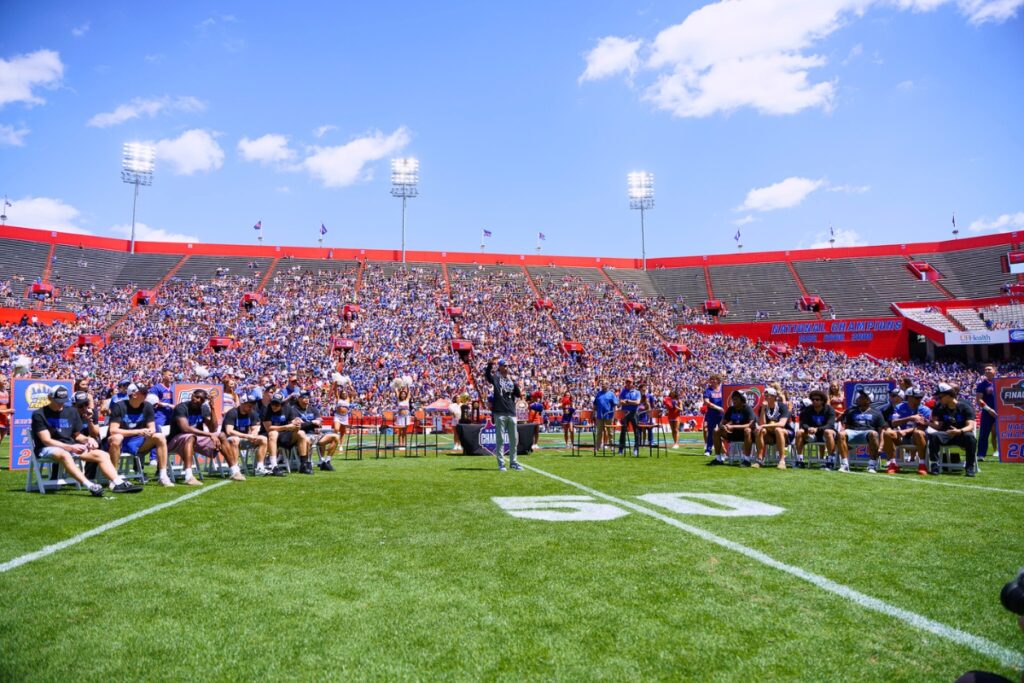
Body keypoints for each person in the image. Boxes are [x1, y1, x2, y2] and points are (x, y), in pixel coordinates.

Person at [30, 386, 141, 496]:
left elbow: (77, 435)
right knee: (64, 454)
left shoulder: (71, 411)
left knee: (102, 454)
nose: (61, 404)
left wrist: (88, 439)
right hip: (46, 448)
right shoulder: (39, 414)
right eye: (58, 401)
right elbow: (46, 440)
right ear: (50, 398)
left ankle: (118, 483)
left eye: (63, 401)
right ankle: (90, 485)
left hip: (69, 447)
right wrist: (70, 447)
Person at [107, 382, 174, 487]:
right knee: (117, 437)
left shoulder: (147, 406)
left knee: (159, 436)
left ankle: (163, 476)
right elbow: (113, 430)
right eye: (144, 393)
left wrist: (149, 432)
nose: (146, 395)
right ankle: (113, 478)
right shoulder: (119, 406)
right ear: (134, 394)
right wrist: (138, 431)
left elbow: (152, 428)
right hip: (122, 441)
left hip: (139, 441)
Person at [168, 389, 225, 486]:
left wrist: (212, 408)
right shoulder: (181, 407)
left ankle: (234, 470)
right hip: (175, 440)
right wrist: (210, 435)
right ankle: (189, 476)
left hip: (195, 439)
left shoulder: (204, 409)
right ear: (192, 395)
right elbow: (185, 428)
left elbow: (213, 428)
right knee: (190, 437)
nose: (198, 400)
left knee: (221, 435)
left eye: (202, 399)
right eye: (197, 397)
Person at [928, 382, 978, 477]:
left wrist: (959, 431)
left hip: (961, 435)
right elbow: (939, 427)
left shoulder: (964, 407)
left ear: (948, 395)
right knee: (934, 436)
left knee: (970, 437)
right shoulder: (942, 408)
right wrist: (927, 423)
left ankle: (969, 467)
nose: (938, 399)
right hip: (948, 434)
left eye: (940, 397)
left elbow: (970, 426)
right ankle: (935, 465)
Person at [483, 358, 522, 471]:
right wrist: (490, 364)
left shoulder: (510, 380)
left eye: (507, 366)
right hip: (500, 412)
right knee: (500, 440)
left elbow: (518, 394)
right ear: (499, 367)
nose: (506, 368)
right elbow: (487, 375)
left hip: (511, 412)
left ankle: (513, 462)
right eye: (504, 366)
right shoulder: (496, 378)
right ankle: (501, 463)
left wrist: (514, 382)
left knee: (514, 440)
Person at [882, 387, 931, 475]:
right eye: (917, 397)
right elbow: (893, 423)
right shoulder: (899, 407)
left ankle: (922, 464)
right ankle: (892, 463)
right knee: (887, 433)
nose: (920, 399)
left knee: (918, 433)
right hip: (902, 435)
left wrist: (906, 431)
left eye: (920, 397)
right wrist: (910, 418)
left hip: (917, 436)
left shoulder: (925, 410)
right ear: (909, 398)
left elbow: (923, 427)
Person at [837, 390, 886, 473]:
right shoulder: (851, 411)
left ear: (869, 400)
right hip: (852, 432)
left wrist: (881, 445)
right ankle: (845, 464)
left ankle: (872, 465)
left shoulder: (877, 413)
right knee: (841, 434)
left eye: (862, 397)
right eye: (859, 397)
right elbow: (845, 426)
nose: (859, 398)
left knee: (874, 433)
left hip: (867, 433)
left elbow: (881, 431)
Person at [262, 391, 312, 474]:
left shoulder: (288, 409)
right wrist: (286, 427)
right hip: (269, 437)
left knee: (301, 433)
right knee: (273, 433)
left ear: (282, 404)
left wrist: (296, 424)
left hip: (285, 435)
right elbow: (268, 428)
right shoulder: (266, 410)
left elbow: (292, 421)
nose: (274, 406)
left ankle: (303, 464)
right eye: (272, 403)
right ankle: (274, 466)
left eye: (277, 404)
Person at [222, 392, 267, 479]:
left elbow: (255, 428)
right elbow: (229, 431)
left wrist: (253, 435)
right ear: (242, 403)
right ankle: (235, 470)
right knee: (235, 439)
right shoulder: (232, 413)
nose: (251, 407)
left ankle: (260, 467)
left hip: (244, 439)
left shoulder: (252, 413)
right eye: (249, 405)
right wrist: (247, 436)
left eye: (253, 405)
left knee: (263, 439)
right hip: (228, 441)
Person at [710, 390, 756, 466]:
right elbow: (722, 423)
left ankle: (747, 460)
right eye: (733, 399)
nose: (733, 401)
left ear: (742, 400)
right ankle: (718, 458)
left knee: (747, 430)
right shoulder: (730, 409)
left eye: (736, 399)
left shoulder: (747, 408)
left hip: (745, 435)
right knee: (716, 430)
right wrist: (723, 427)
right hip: (732, 434)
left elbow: (750, 424)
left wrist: (733, 426)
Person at [795, 389, 838, 469]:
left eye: (817, 399)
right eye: (813, 399)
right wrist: (808, 428)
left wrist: (817, 429)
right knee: (799, 432)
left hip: (826, 435)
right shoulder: (807, 410)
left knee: (828, 432)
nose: (814, 401)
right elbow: (803, 423)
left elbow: (830, 425)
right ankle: (799, 460)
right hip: (812, 435)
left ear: (822, 401)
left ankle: (830, 461)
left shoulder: (829, 409)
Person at [296, 390, 338, 469]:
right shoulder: (294, 410)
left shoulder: (313, 409)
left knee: (335, 437)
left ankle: (327, 462)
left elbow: (319, 421)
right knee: (307, 440)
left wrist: (317, 424)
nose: (306, 398)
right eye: (304, 397)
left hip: (315, 435)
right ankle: (307, 463)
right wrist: (312, 422)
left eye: (307, 397)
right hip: (303, 436)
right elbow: (298, 426)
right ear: (299, 399)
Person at [756, 387, 792, 469]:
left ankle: (782, 460)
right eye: (765, 396)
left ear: (774, 397)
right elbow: (762, 424)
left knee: (778, 429)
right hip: (770, 434)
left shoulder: (782, 406)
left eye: (768, 396)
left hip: (786, 432)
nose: (765, 398)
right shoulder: (763, 407)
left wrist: (764, 426)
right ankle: (759, 460)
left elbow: (782, 424)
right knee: (761, 430)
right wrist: (763, 409)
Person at [975, 365, 998, 462]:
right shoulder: (982, 385)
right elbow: (979, 400)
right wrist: (989, 410)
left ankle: (1007, 452)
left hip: (1002, 411)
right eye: (985, 370)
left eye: (989, 369)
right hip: (988, 412)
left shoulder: (1001, 382)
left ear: (995, 371)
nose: (987, 371)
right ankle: (981, 454)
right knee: (984, 433)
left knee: (1007, 432)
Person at [702, 374, 725, 456]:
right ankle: (708, 449)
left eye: (713, 379)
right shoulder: (708, 390)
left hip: (723, 414)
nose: (712, 381)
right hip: (712, 414)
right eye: (711, 379)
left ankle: (724, 451)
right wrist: (718, 408)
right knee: (711, 432)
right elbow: (706, 402)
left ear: (718, 380)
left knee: (724, 431)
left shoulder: (723, 389)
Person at [618, 378, 642, 456]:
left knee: (636, 431)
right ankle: (621, 449)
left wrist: (627, 401)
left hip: (634, 413)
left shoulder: (637, 392)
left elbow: (637, 402)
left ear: (632, 383)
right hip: (625, 413)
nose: (628, 383)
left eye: (630, 382)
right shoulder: (623, 392)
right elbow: (620, 402)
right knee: (623, 431)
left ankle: (636, 449)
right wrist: (631, 402)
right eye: (627, 382)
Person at [593, 381, 618, 452]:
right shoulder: (598, 394)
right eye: (602, 384)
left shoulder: (611, 394)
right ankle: (597, 447)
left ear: (607, 385)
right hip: (599, 415)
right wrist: (593, 412)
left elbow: (615, 405)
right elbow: (595, 405)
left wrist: (615, 414)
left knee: (610, 432)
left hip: (609, 415)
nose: (603, 386)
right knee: (599, 432)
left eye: (604, 384)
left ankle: (612, 446)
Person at [395, 385, 412, 452]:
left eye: (404, 394)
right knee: (400, 432)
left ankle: (404, 445)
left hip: (406, 417)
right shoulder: (399, 400)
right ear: (400, 395)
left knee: (404, 432)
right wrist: (396, 386)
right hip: (400, 417)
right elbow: (396, 392)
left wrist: (407, 385)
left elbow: (409, 393)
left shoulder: (407, 400)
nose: (403, 395)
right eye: (402, 394)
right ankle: (400, 445)